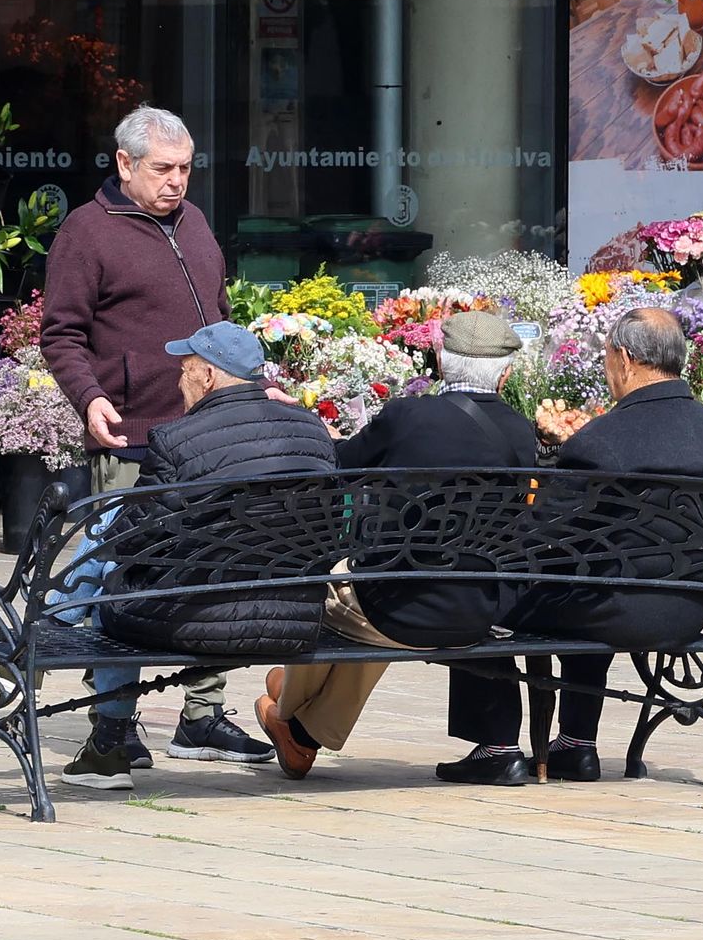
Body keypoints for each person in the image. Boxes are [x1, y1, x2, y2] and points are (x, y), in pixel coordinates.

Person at [42, 104, 275, 768]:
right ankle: (113, 726)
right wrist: (89, 398)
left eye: (185, 169)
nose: (177, 182)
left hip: (205, 436)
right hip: (129, 432)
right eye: (163, 169)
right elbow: (61, 333)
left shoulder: (195, 223)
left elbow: (221, 319)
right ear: (124, 164)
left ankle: (202, 715)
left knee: (209, 567)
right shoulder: (86, 233)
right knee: (122, 577)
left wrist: (252, 386)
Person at [439, 307, 703, 786]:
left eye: (606, 359)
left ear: (623, 360)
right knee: (598, 570)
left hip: (619, 610)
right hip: (695, 608)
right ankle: (576, 743)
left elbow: (538, 541)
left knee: (472, 587)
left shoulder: (601, 441)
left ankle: (497, 746)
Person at [252, 311, 537, 780]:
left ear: (442, 363)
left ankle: (292, 718)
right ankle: (297, 728)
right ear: (505, 374)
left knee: (338, 590)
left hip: (396, 607)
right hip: (480, 610)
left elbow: (339, 466)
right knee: (385, 592)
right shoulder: (520, 432)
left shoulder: (410, 415)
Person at [61, 321, 337, 790]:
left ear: (208, 377)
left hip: (196, 619)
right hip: (295, 619)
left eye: (185, 369)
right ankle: (52, 621)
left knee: (112, 567)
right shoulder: (314, 432)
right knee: (116, 531)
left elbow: (131, 544)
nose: (178, 380)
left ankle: (107, 746)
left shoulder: (175, 440)